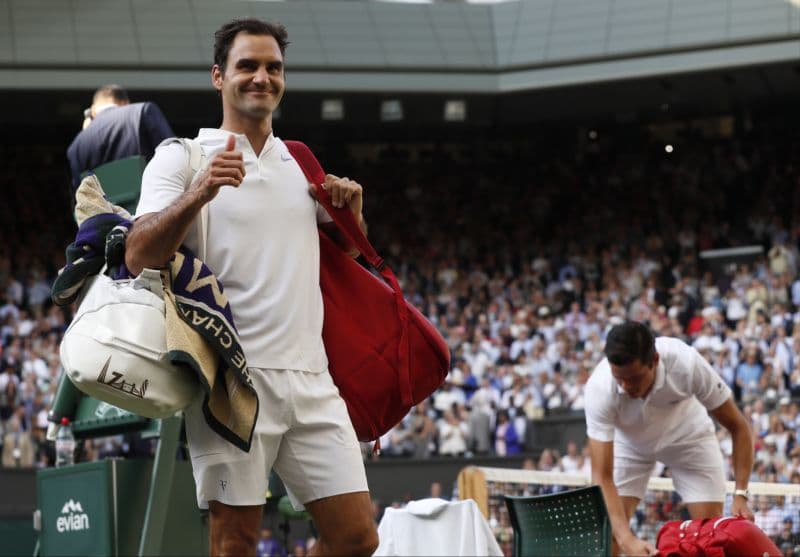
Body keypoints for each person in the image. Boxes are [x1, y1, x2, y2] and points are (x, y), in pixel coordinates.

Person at [124, 18, 378, 557]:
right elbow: (137, 252)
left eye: (273, 67)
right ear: (219, 76)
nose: (262, 77)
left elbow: (342, 261)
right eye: (248, 66)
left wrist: (353, 220)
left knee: (357, 538)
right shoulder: (182, 155)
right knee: (234, 543)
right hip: (234, 382)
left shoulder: (302, 163)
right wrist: (199, 193)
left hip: (312, 379)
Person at [584, 321, 754, 556]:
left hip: (688, 437)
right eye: (618, 378)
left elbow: (738, 426)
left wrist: (741, 493)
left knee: (707, 539)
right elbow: (601, 475)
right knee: (608, 534)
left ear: (654, 360)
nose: (625, 386)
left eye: (633, 378)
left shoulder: (686, 362)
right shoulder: (599, 388)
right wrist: (627, 540)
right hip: (629, 445)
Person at [66, 84, 174, 191]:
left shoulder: (76, 145)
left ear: (93, 111)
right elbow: (175, 156)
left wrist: (85, 133)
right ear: (125, 103)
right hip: (150, 202)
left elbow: (80, 194)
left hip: (102, 207)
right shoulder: (143, 111)